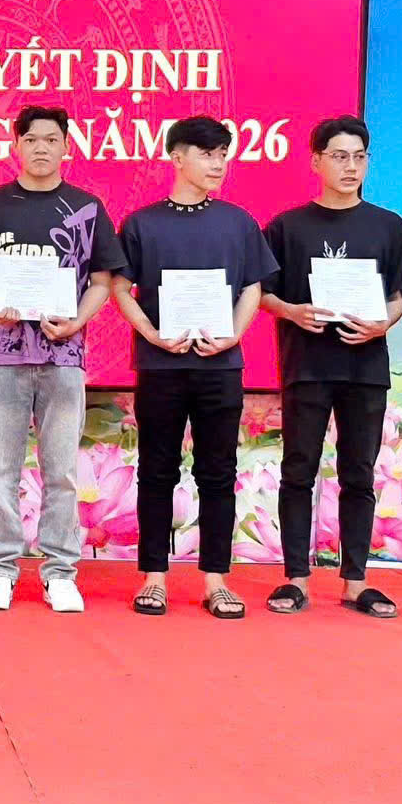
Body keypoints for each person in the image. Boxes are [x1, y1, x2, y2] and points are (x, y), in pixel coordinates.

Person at [0, 106, 122, 613]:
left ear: (66, 146)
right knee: (0, 469)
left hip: (64, 357)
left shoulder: (86, 207)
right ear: (17, 146)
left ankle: (60, 573)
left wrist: (75, 321)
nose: (41, 148)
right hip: (3, 357)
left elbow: (102, 282)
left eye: (51, 139)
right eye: (31, 139)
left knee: (61, 471)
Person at [112, 115, 278, 619]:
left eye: (223, 154)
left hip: (219, 365)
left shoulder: (238, 222)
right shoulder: (142, 223)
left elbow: (253, 286)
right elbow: (120, 286)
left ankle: (216, 581)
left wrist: (234, 333)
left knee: (218, 472)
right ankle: (154, 578)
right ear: (177, 157)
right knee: (156, 470)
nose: (217, 164)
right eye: (206, 154)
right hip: (160, 366)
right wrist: (151, 333)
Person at [258, 116, 402, 618]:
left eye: (359, 157)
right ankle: (295, 579)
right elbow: (261, 293)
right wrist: (291, 311)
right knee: (298, 469)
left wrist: (383, 323)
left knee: (359, 473)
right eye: (339, 156)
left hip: (366, 367)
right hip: (307, 364)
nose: (350, 167)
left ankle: (355, 582)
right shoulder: (287, 227)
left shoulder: (389, 226)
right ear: (316, 161)